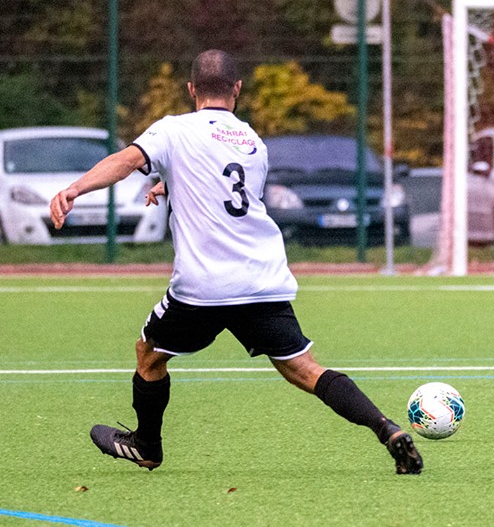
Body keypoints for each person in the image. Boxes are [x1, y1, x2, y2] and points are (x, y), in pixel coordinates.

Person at [48, 49, 423, 473]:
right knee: (304, 368)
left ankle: (146, 445)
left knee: (148, 355)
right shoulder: (251, 142)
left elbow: (127, 160)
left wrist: (76, 189)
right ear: (237, 89)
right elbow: (235, 197)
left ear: (191, 89)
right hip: (260, 278)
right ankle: (385, 426)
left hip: (204, 285)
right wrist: (170, 188)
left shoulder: (173, 129)